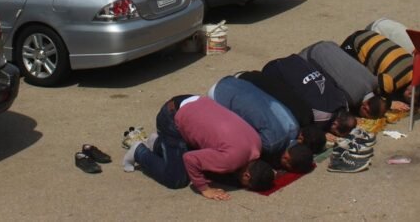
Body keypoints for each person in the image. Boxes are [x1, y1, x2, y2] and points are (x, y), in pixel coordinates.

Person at [124, 95, 275, 200]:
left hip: (193, 101)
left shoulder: (257, 145)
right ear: (247, 176)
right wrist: (204, 189)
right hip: (171, 115)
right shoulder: (231, 160)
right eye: (244, 184)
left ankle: (158, 143)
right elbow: (190, 159)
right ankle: (139, 151)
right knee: (176, 179)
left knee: (205, 163)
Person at [207, 76, 318, 171]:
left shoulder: (294, 126)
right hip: (219, 95)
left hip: (235, 82)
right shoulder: (270, 144)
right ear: (286, 158)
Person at [261, 53, 355, 138]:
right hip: (275, 69)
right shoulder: (321, 117)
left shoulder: (342, 99)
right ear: (335, 124)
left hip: (296, 61)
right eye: (335, 132)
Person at [341, 29, 420, 109]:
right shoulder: (391, 81)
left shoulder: (419, 69)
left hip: (370, 34)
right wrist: (390, 104)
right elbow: (371, 92)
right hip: (354, 44)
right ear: (410, 94)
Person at [300, 41, 387, 119]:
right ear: (365, 108)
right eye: (365, 116)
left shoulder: (373, 81)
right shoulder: (351, 99)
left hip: (328, 45)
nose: (363, 117)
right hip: (308, 56)